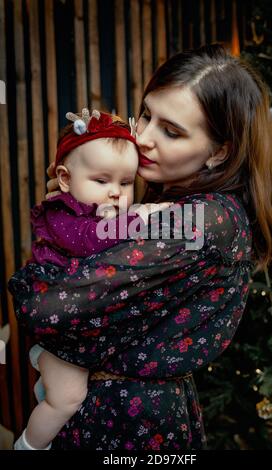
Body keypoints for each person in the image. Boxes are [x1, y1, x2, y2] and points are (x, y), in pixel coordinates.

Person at [9, 44, 272, 451]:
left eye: (171, 131)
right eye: (146, 114)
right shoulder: (175, 203)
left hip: (128, 426)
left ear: (219, 152)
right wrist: (74, 204)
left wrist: (35, 275)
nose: (142, 137)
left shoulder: (201, 220)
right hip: (111, 411)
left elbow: (44, 308)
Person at [13, 109, 171, 450]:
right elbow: (93, 238)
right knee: (67, 399)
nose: (115, 192)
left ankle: (47, 395)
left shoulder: (112, 213)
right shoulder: (61, 214)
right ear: (65, 179)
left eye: (126, 182)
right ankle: (27, 445)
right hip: (56, 336)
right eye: (101, 181)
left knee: (68, 398)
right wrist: (141, 218)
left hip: (85, 332)